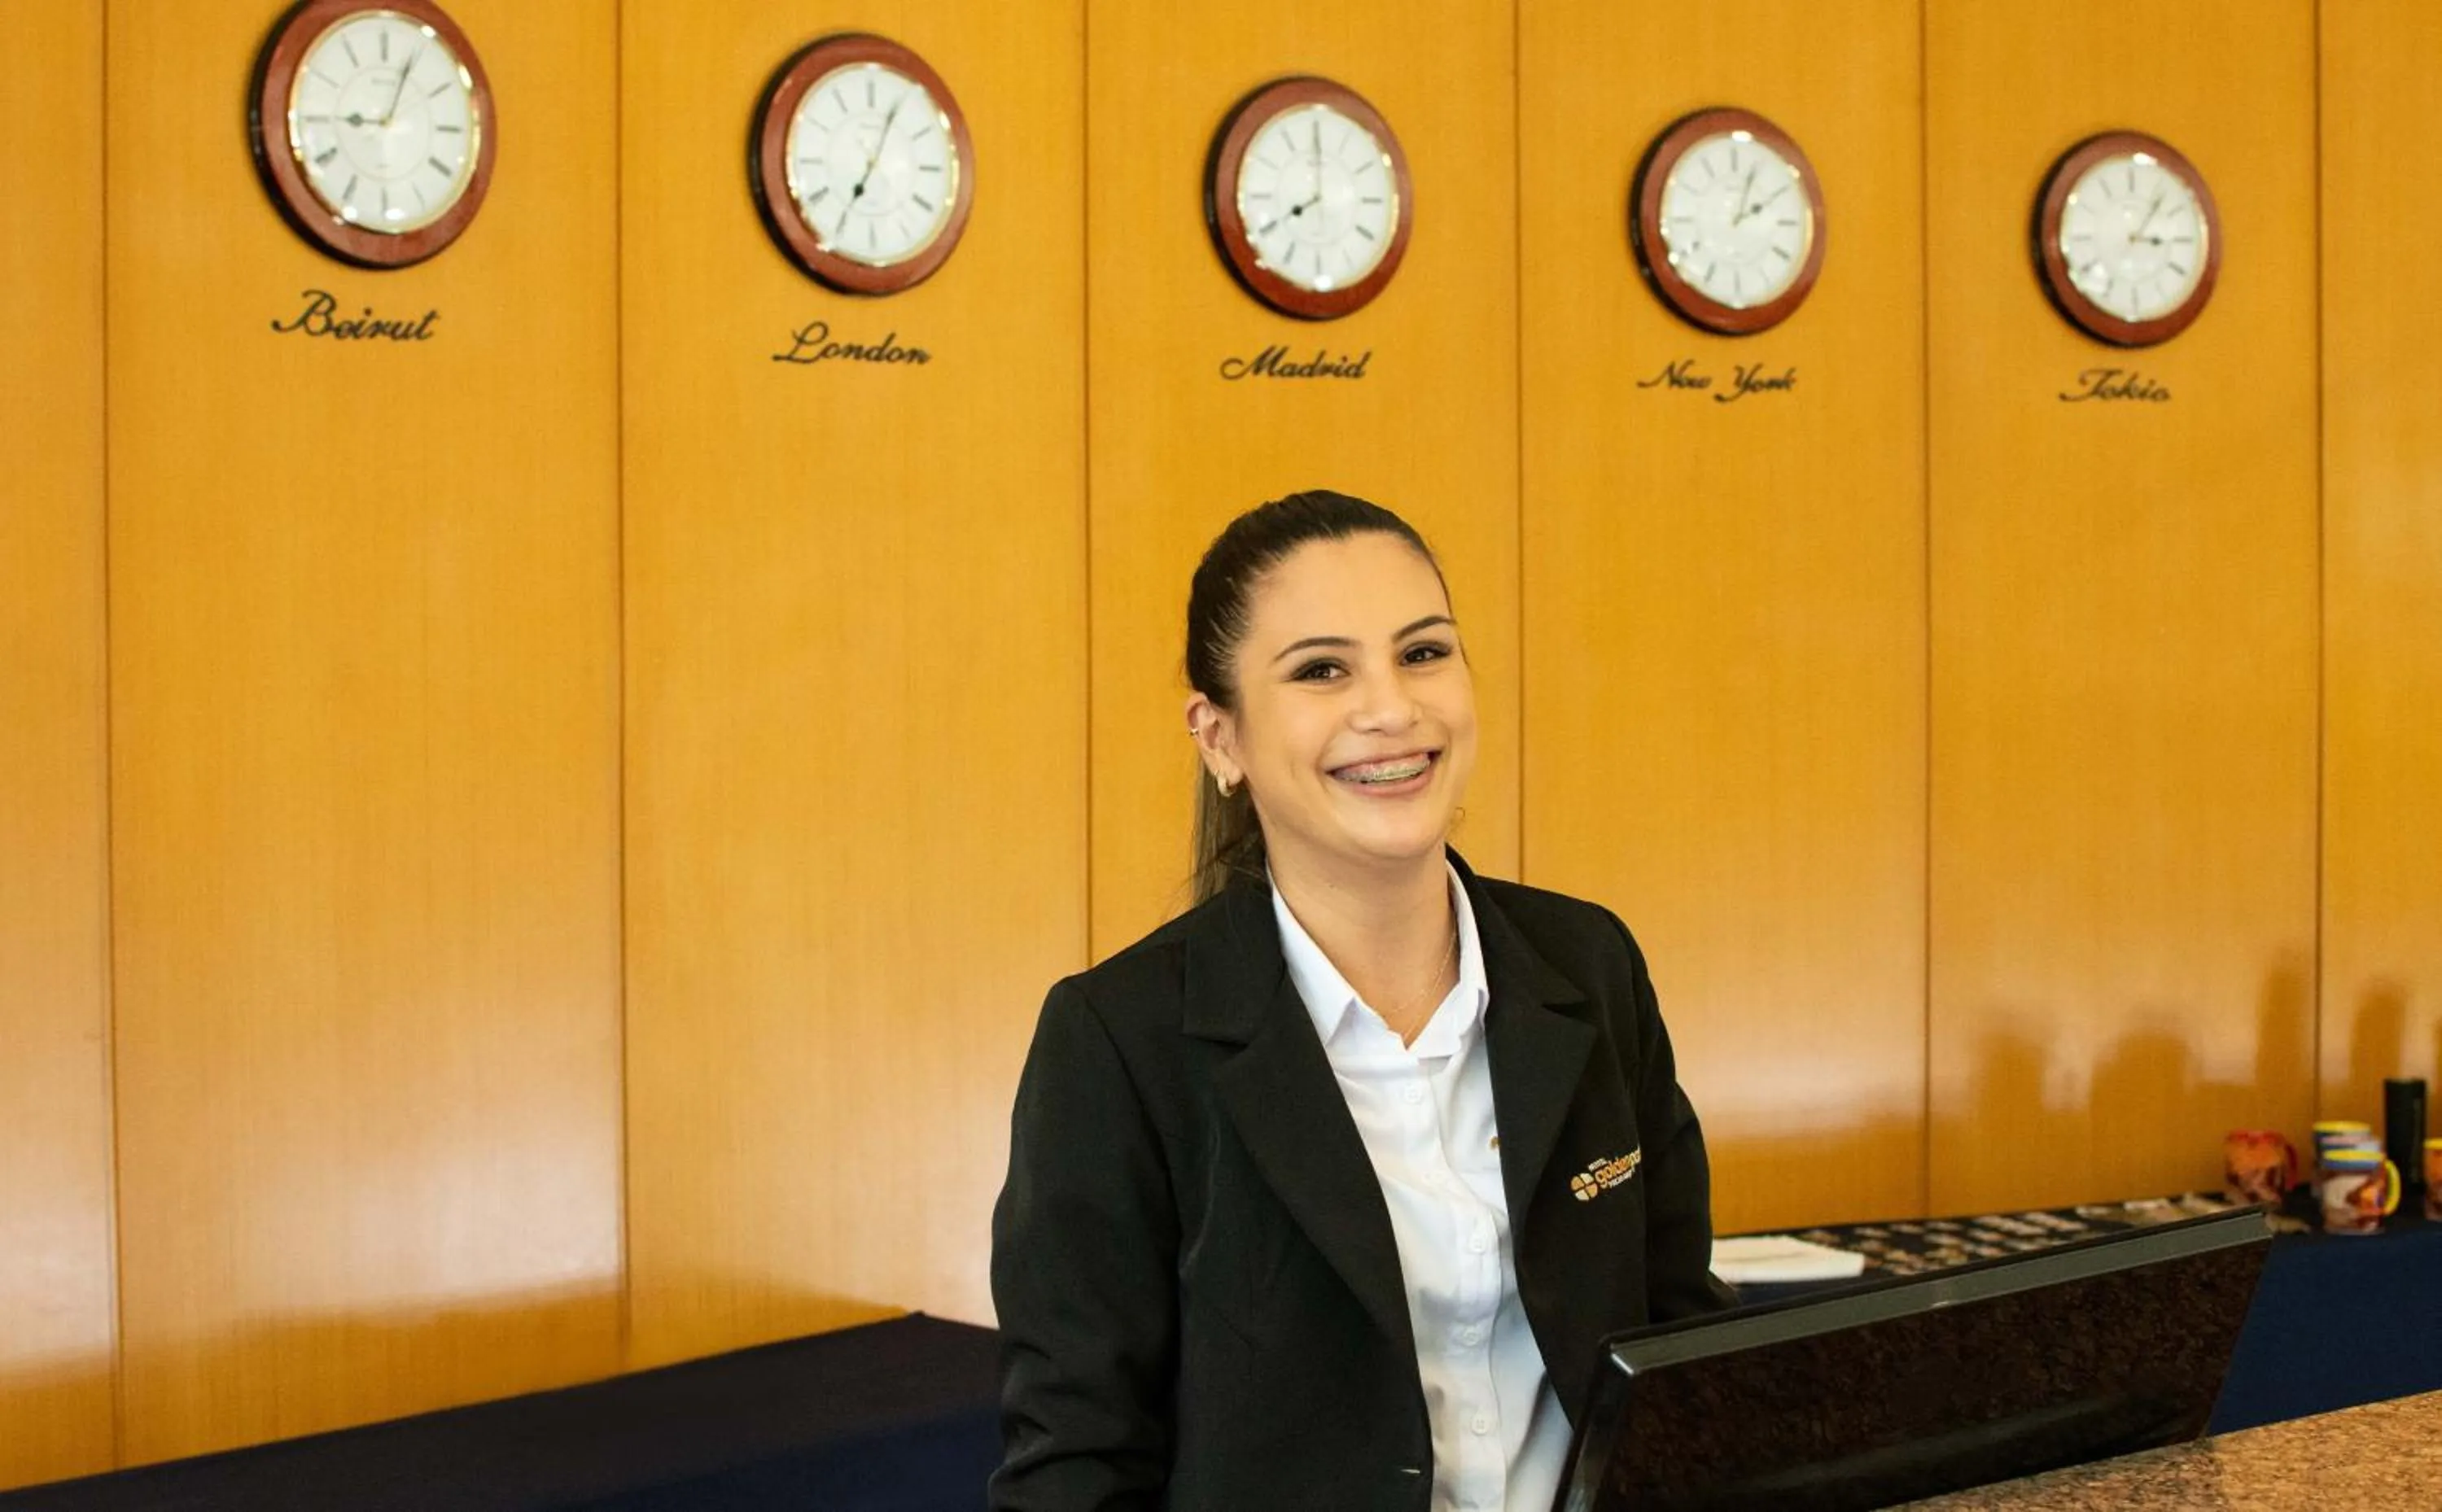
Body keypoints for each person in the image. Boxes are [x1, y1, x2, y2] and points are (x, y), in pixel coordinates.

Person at [991, 491, 1733, 1512]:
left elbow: (1686, 1349)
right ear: (1221, 739)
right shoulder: (1118, 1040)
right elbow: (1076, 1463)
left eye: (1424, 652)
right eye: (1321, 670)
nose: (1391, 708)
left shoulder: (1589, 962)